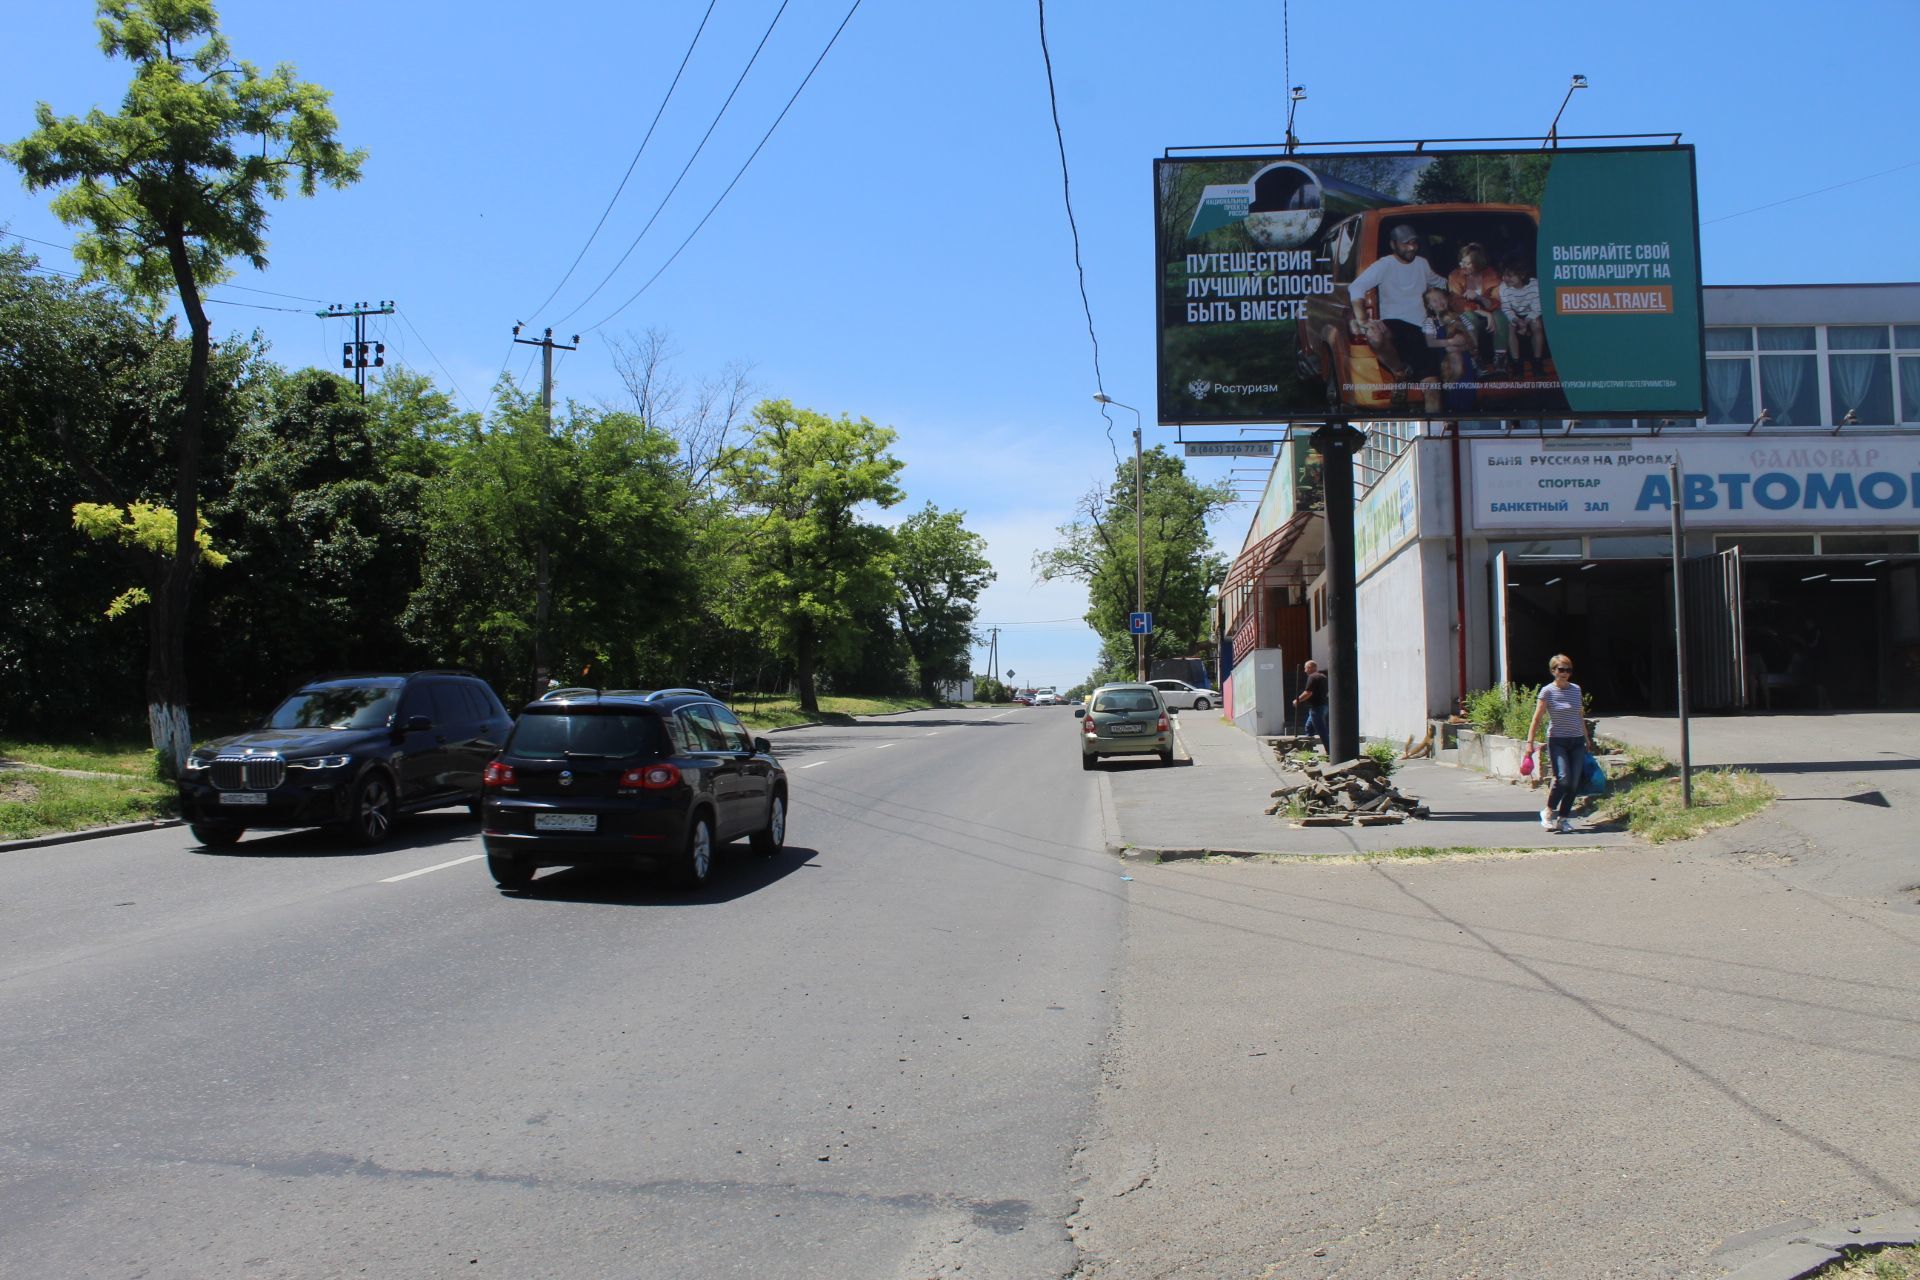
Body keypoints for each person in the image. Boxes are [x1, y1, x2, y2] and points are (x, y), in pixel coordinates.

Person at [1346, 224, 1447, 409]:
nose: (1411, 248)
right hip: (1394, 325)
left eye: (1414, 243)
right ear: (1393, 245)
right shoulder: (1385, 265)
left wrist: (1464, 285)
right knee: (1374, 335)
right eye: (1405, 244)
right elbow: (1356, 287)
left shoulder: (1422, 264)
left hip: (1420, 331)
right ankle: (1399, 372)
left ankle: (1434, 434)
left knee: (1433, 388)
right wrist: (1362, 319)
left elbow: (1440, 282)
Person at [1525, 653, 1593, 834]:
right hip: (1558, 741)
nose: (1565, 673)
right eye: (1561, 670)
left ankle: (1563, 819)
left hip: (1577, 740)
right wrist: (1529, 742)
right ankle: (1548, 811)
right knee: (1563, 779)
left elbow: (1579, 715)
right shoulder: (1547, 691)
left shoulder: (1576, 689)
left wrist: (1586, 738)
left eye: (1568, 670)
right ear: (1553, 671)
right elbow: (1537, 718)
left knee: (1574, 783)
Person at [1499, 256, 1545, 377]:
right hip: (1514, 314)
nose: (1506, 279)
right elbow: (1506, 308)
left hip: (1531, 313)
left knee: (1537, 326)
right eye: (1504, 275)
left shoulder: (1534, 284)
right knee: (1509, 328)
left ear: (1522, 275)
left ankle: (1537, 362)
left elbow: (1538, 307)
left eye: (1510, 276)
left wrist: (1528, 320)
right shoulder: (1503, 287)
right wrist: (1516, 320)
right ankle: (1517, 364)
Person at [1293, 659, 1328, 751]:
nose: (1304, 671)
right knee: (1309, 726)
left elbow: (1308, 693)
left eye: (1305, 668)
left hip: (1316, 708)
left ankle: (1330, 751)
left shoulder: (1312, 677)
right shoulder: (1323, 677)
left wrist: (1297, 700)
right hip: (1323, 706)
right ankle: (1308, 748)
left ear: (1309, 667)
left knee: (1321, 730)